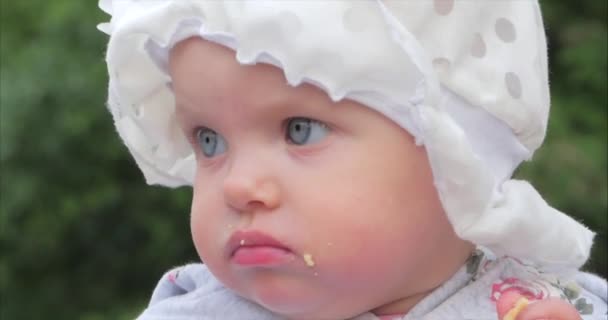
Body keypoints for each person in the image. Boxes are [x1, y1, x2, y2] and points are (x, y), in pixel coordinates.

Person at [98, 1, 607, 319]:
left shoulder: (554, 306)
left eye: (300, 130)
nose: (238, 185)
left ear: (458, 160)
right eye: (209, 141)